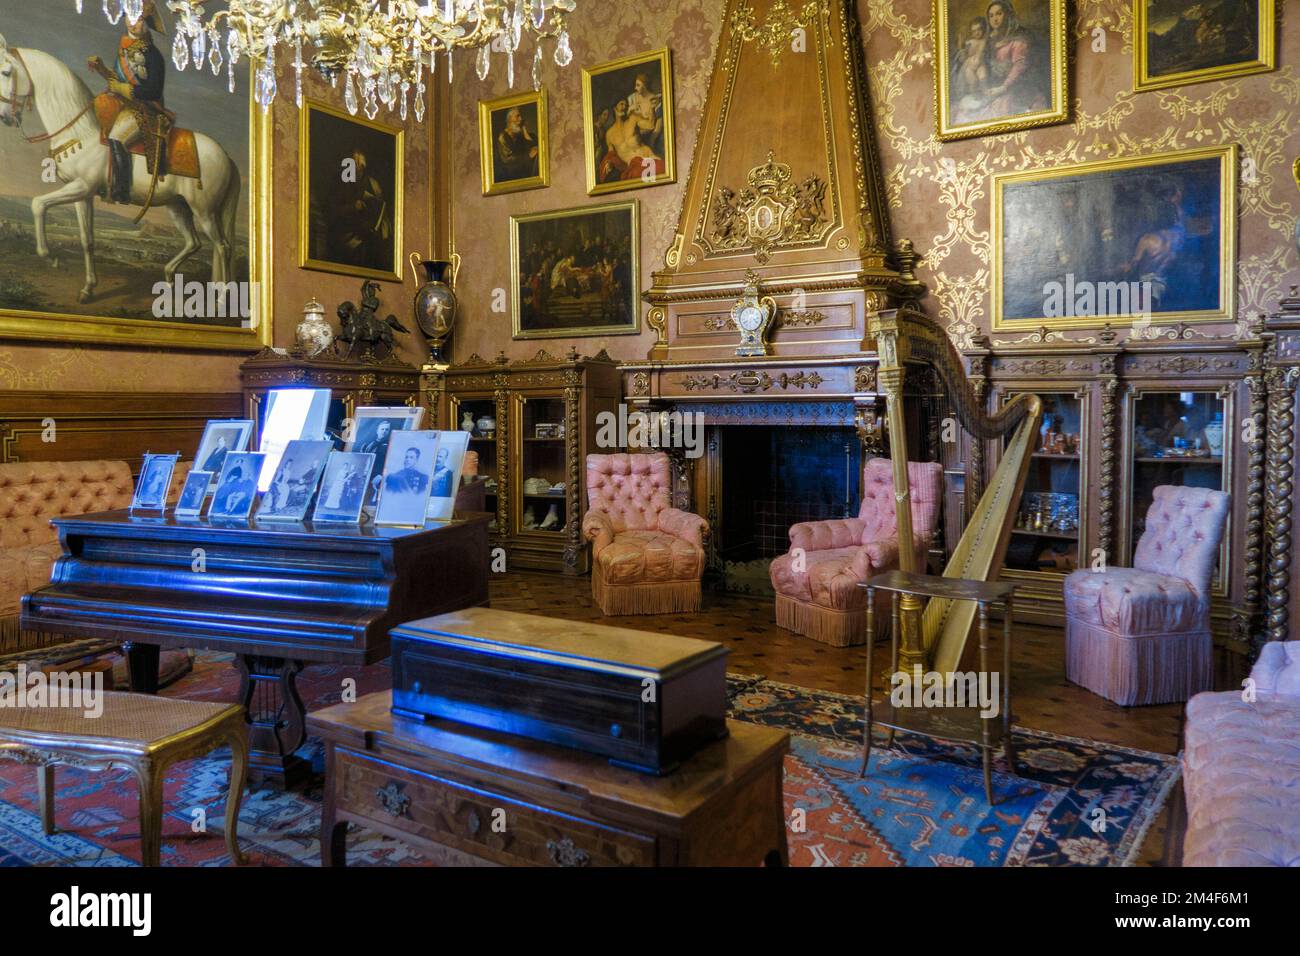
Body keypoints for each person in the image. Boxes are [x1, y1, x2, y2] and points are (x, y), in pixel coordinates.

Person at [88, 1, 169, 204]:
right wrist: (101, 69)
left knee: (116, 137)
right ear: (124, 19)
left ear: (147, 23)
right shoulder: (123, 47)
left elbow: (153, 91)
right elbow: (116, 80)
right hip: (126, 106)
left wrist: (124, 89)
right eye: (131, 17)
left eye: (140, 19)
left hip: (147, 109)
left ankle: (121, 191)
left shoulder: (154, 55)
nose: (134, 24)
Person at [495, 106, 539, 181]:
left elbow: (535, 145)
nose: (521, 119)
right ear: (509, 119)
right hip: (509, 178)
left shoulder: (519, 135)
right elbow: (508, 161)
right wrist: (528, 156)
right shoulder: (502, 137)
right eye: (517, 116)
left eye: (520, 116)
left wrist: (524, 129)